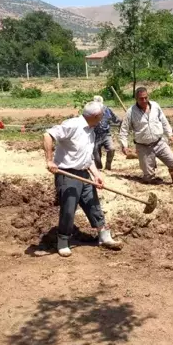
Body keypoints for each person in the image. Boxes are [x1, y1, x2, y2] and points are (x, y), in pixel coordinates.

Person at [44, 101, 122, 257]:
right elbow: (48, 134)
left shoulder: (91, 131)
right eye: (102, 115)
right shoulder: (73, 125)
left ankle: (103, 236)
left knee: (93, 204)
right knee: (68, 208)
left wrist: (97, 175)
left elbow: (88, 158)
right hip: (67, 174)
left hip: (84, 173)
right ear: (95, 116)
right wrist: (49, 160)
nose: (103, 118)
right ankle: (63, 240)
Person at [119, 87, 173, 184]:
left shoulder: (155, 106)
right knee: (149, 177)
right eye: (141, 99)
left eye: (146, 98)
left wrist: (170, 134)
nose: (144, 100)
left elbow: (164, 121)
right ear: (136, 99)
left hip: (159, 143)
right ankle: (149, 179)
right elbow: (124, 130)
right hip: (143, 147)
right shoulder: (131, 112)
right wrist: (124, 145)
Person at [92, 95, 120, 170]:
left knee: (111, 149)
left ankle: (108, 166)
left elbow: (115, 119)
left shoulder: (107, 110)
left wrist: (122, 122)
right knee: (96, 156)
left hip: (106, 134)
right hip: (95, 136)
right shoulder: (90, 111)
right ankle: (99, 168)